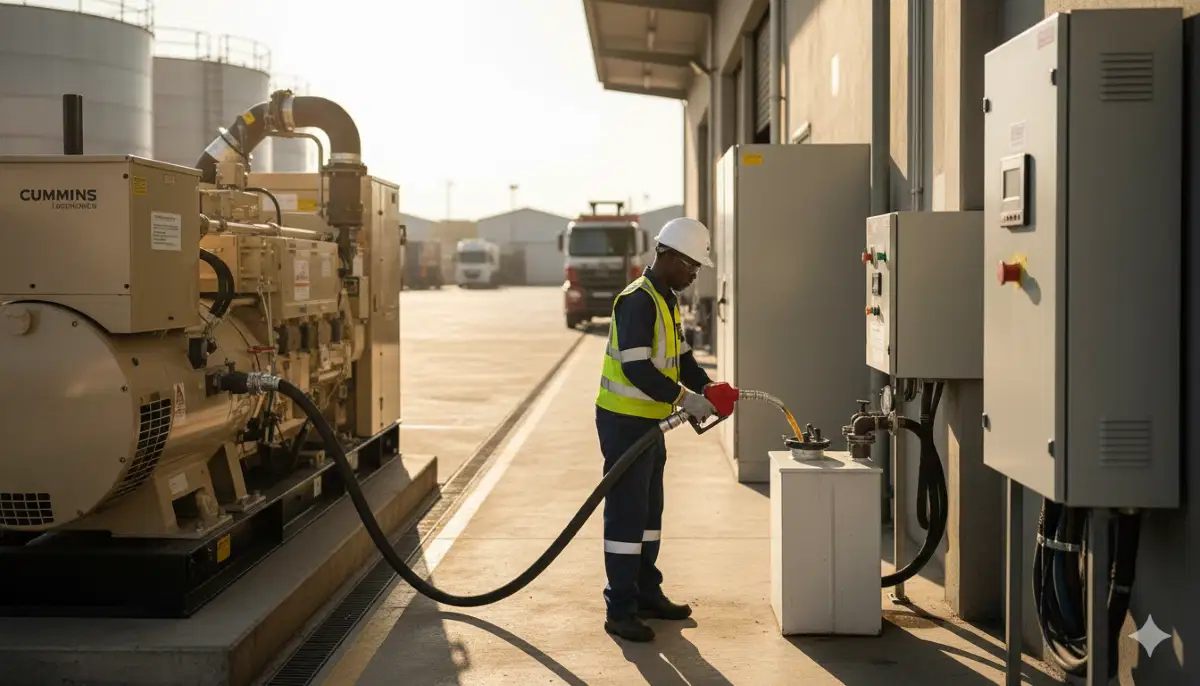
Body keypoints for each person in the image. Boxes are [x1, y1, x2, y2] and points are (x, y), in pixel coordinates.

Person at [594, 216, 735, 642]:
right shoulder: (637, 301)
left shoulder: (666, 300)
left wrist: (707, 387)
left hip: (650, 423)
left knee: (649, 512)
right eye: (692, 265)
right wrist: (685, 399)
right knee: (626, 516)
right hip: (624, 423)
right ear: (670, 257)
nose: (695, 275)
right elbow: (636, 368)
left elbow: (683, 359)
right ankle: (620, 609)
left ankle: (645, 593)